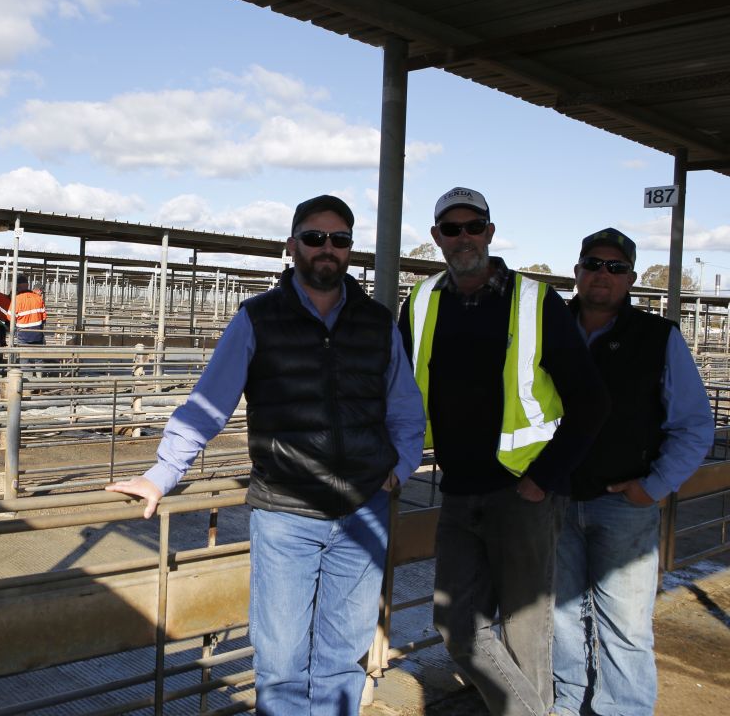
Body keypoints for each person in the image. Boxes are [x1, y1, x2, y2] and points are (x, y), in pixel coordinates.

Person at [108, 195, 426, 715]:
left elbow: (405, 408)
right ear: (292, 245)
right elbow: (208, 403)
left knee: (343, 661)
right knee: (281, 663)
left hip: (364, 512)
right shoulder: (257, 318)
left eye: (339, 240)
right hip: (286, 514)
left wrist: (401, 467)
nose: (327, 249)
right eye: (315, 237)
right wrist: (162, 473)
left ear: (351, 250)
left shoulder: (376, 322)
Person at [398, 188, 608, 716]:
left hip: (523, 493)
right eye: (452, 229)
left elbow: (591, 402)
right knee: (456, 625)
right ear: (436, 238)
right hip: (457, 490)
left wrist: (546, 478)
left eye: (474, 226)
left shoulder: (536, 301)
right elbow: (398, 392)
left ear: (490, 232)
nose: (463, 237)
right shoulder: (421, 303)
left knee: (525, 629)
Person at [552, 229, 713, 716]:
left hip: (623, 504)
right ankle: (567, 705)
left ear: (631, 279)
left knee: (624, 625)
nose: (603, 274)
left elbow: (694, 424)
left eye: (615, 267)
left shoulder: (657, 337)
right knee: (559, 618)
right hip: (554, 498)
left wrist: (654, 486)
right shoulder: (545, 327)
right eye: (593, 264)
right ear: (577, 272)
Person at [13, 275, 48, 346]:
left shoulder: (18, 298)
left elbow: (10, 317)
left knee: (23, 354)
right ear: (38, 290)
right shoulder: (38, 299)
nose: (41, 295)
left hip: (22, 333)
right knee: (35, 355)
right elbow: (44, 318)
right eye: (41, 293)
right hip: (37, 334)